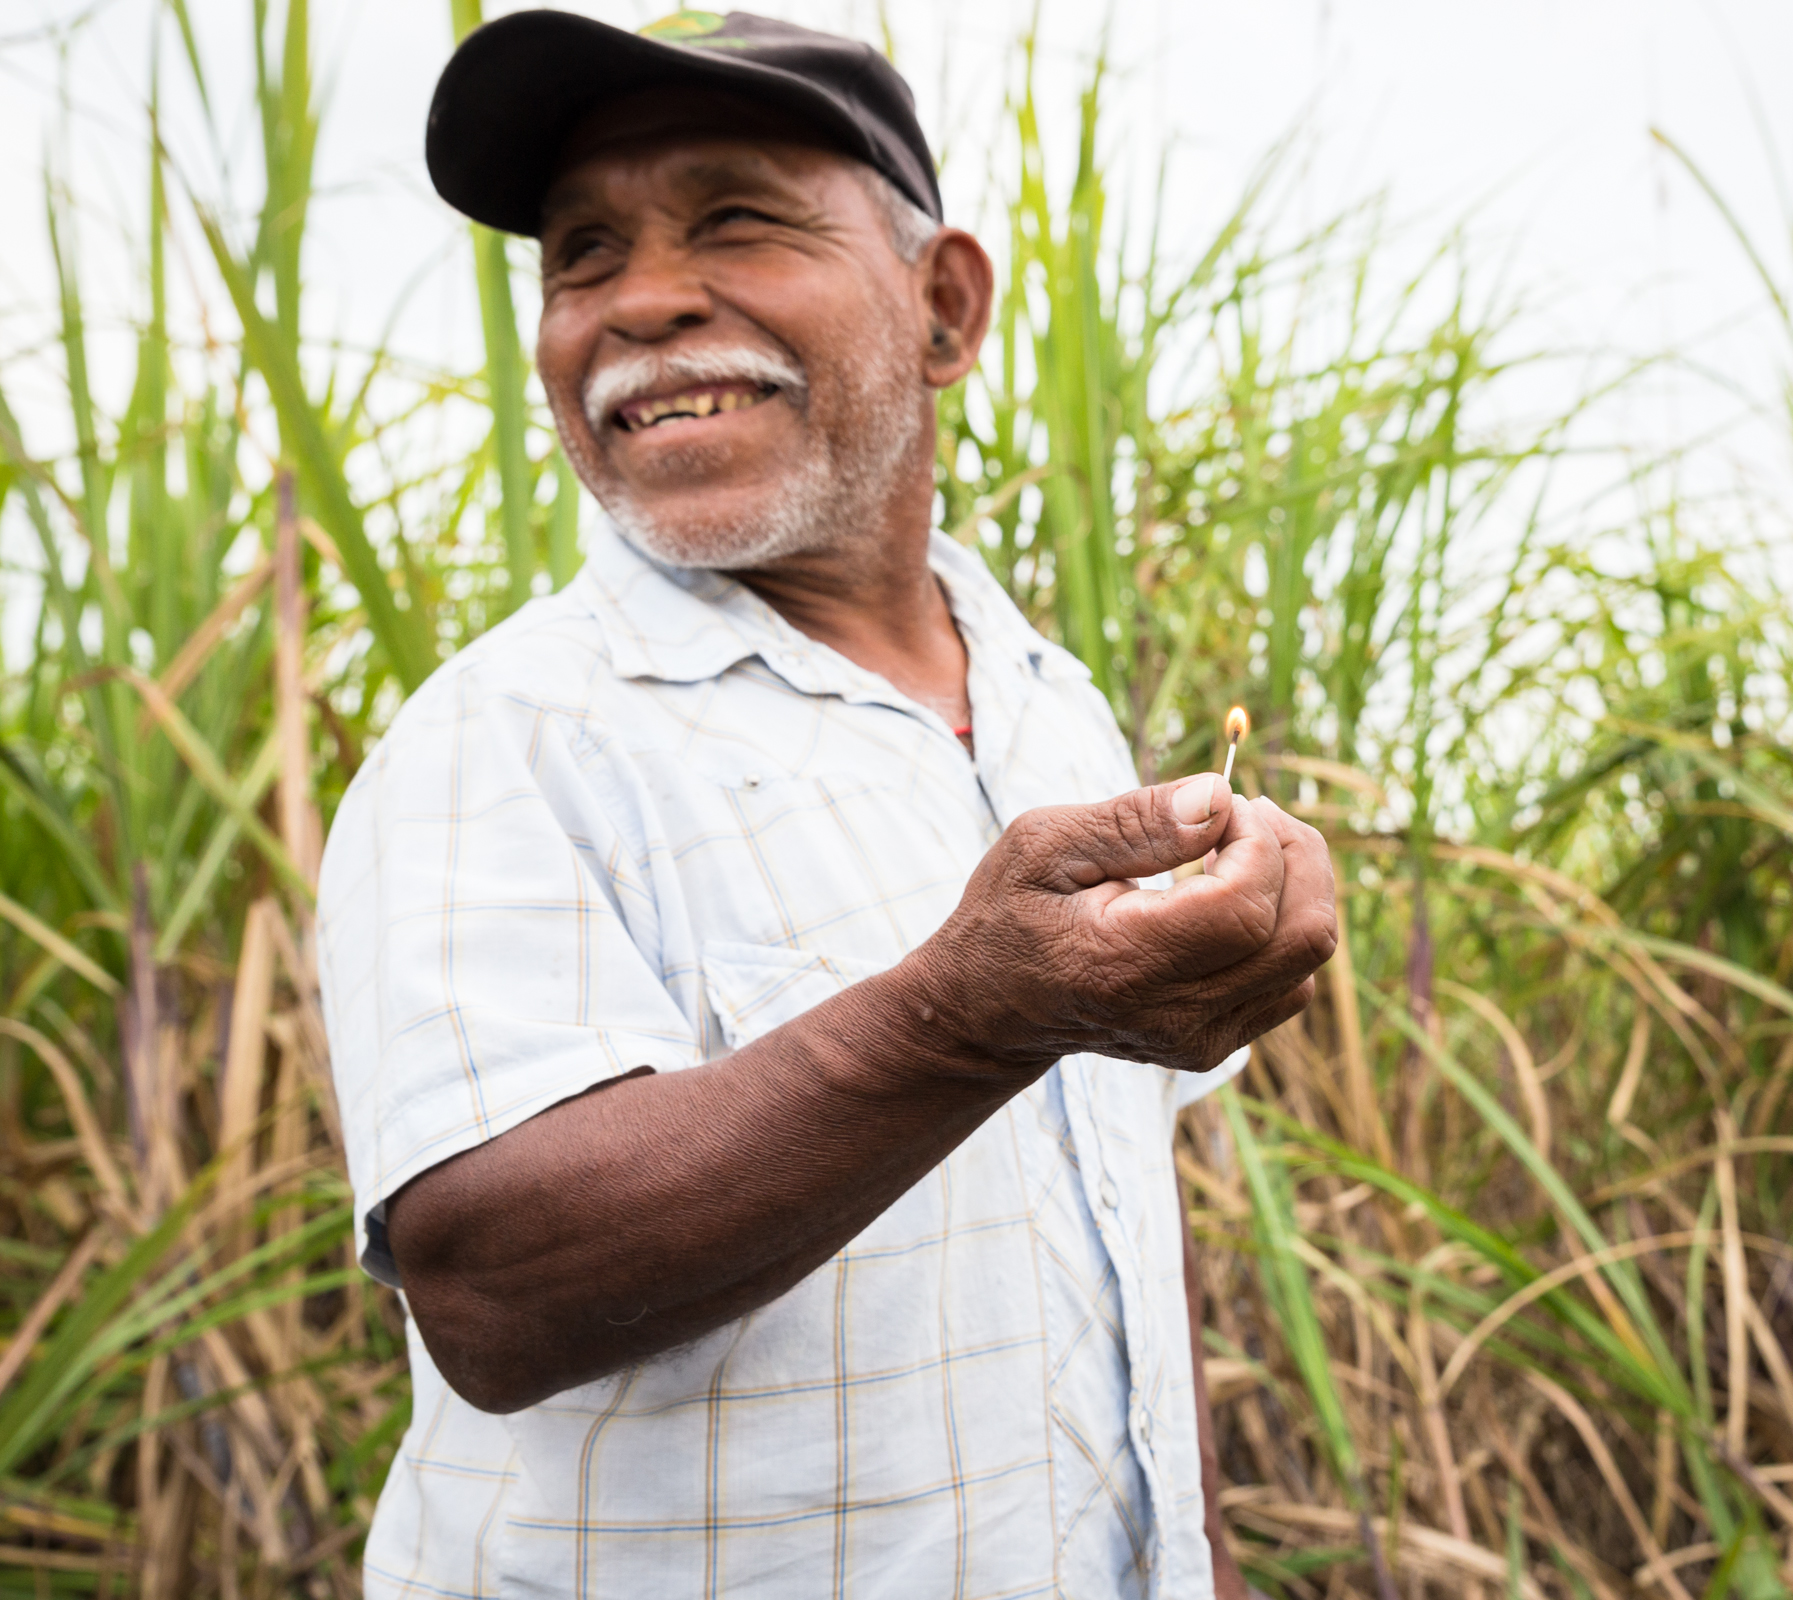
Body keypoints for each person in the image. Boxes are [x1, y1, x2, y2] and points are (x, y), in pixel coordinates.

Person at [318, 11, 1337, 1597]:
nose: (643, 298)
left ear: (943, 307)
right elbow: (491, 1293)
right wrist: (960, 1020)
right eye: (582, 255)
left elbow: (1128, 1225)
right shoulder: (502, 736)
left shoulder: (1052, 701)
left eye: (736, 218)